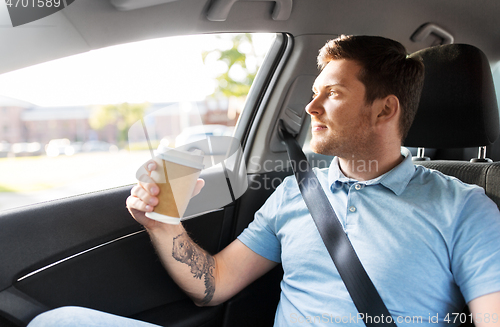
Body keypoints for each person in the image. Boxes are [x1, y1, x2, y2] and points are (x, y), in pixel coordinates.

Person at [28, 35, 500, 326]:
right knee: (58, 320)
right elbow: (212, 285)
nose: (311, 109)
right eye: (313, 94)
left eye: (331, 95)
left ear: (385, 108)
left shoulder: (465, 208)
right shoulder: (297, 191)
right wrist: (163, 224)